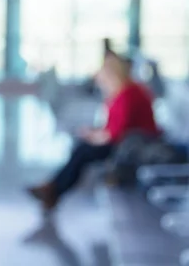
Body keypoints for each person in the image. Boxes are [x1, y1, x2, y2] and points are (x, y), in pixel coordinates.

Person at [27, 52, 158, 211]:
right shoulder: (123, 91)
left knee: (83, 151)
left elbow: (116, 134)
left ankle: (53, 189)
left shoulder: (128, 94)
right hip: (128, 142)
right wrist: (94, 133)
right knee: (82, 148)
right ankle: (53, 188)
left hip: (134, 146)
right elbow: (114, 127)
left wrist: (94, 136)